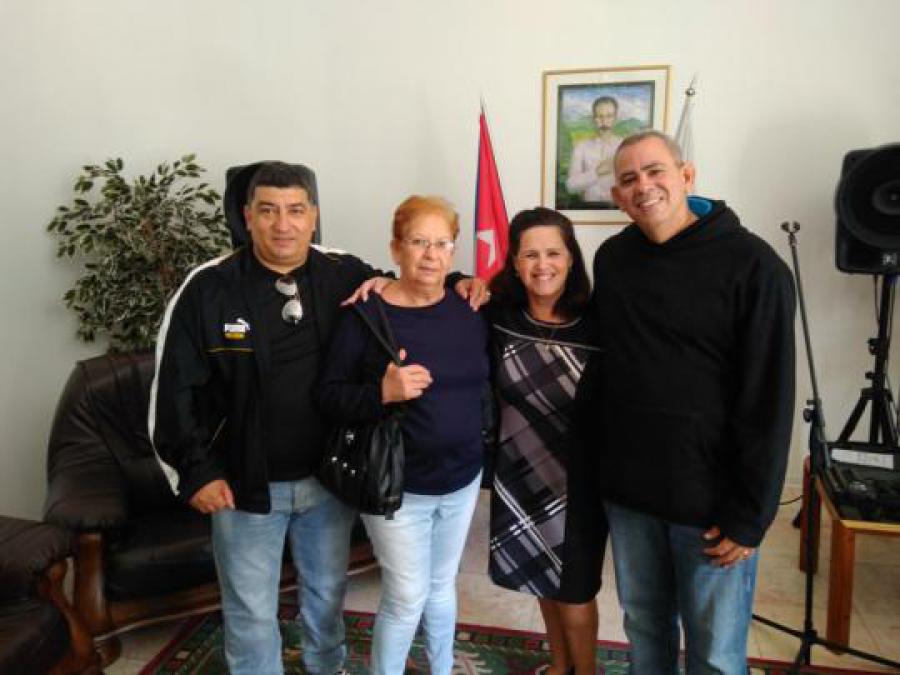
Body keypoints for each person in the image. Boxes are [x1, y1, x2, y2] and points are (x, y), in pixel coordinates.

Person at [149, 163, 484, 675]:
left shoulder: (342, 273)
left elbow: (416, 274)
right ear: (247, 217)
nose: (283, 224)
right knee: (251, 610)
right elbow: (173, 388)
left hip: (329, 479)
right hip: (243, 483)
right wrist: (196, 471)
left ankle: (327, 669)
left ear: (313, 216)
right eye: (268, 210)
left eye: (295, 210)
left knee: (327, 598)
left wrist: (462, 282)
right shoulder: (209, 288)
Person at [588, 130, 796, 674]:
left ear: (687, 175)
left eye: (655, 171)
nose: (644, 186)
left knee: (716, 655)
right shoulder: (613, 260)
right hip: (631, 498)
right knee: (645, 631)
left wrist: (751, 515)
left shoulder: (756, 267)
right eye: (629, 178)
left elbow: (770, 399)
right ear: (617, 197)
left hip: (711, 507)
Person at [319, 196, 489, 675]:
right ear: (396, 248)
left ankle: (441, 668)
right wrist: (382, 392)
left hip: (463, 478)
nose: (431, 255)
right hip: (398, 486)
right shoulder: (365, 314)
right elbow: (328, 396)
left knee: (441, 585)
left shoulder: (469, 307)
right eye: (418, 242)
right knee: (407, 594)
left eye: (442, 244)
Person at [486, 207, 605, 675]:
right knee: (540, 579)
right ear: (514, 263)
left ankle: (586, 671)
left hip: (579, 484)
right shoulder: (498, 316)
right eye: (530, 255)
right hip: (519, 473)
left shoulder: (600, 322)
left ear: (571, 258)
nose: (542, 265)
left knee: (574, 591)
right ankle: (559, 665)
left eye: (553, 253)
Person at [565, 96, 622, 204]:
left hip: (618, 210)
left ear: (615, 118)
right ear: (593, 118)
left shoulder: (624, 146)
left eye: (609, 116)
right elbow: (570, 186)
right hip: (588, 209)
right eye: (599, 116)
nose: (604, 121)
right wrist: (596, 173)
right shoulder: (581, 147)